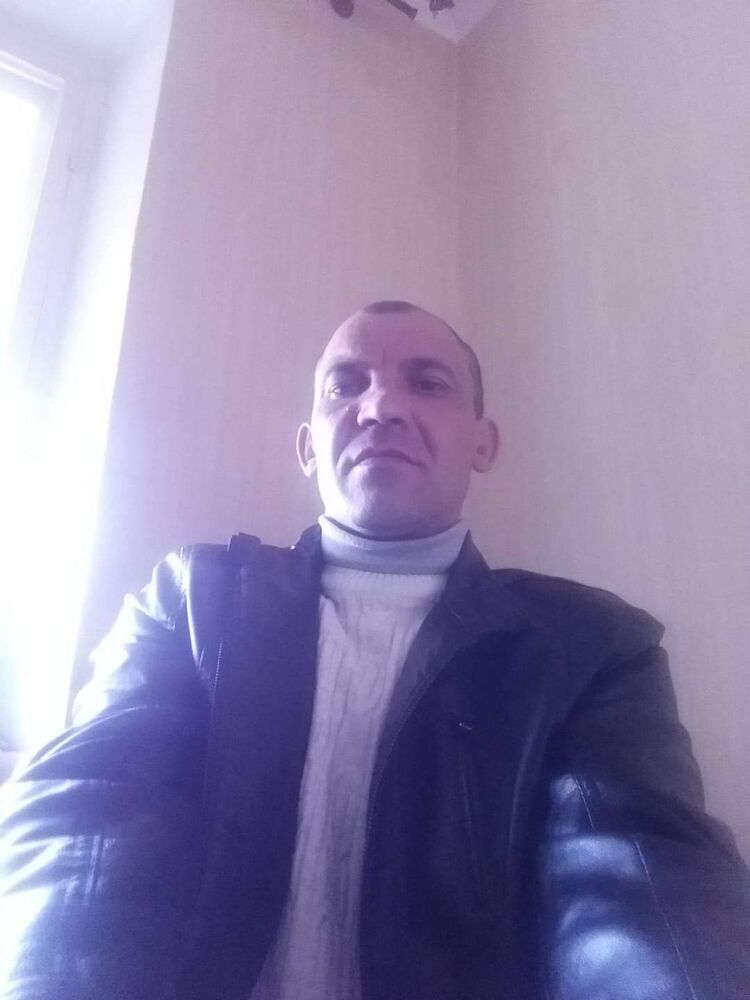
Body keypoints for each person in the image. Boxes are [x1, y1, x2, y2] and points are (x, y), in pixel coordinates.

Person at [1, 301, 749, 1000]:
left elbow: (637, 878)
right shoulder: (191, 600)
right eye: (345, 385)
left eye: (428, 383)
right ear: (307, 445)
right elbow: (84, 820)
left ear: (483, 442)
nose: (381, 407)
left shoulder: (590, 646)